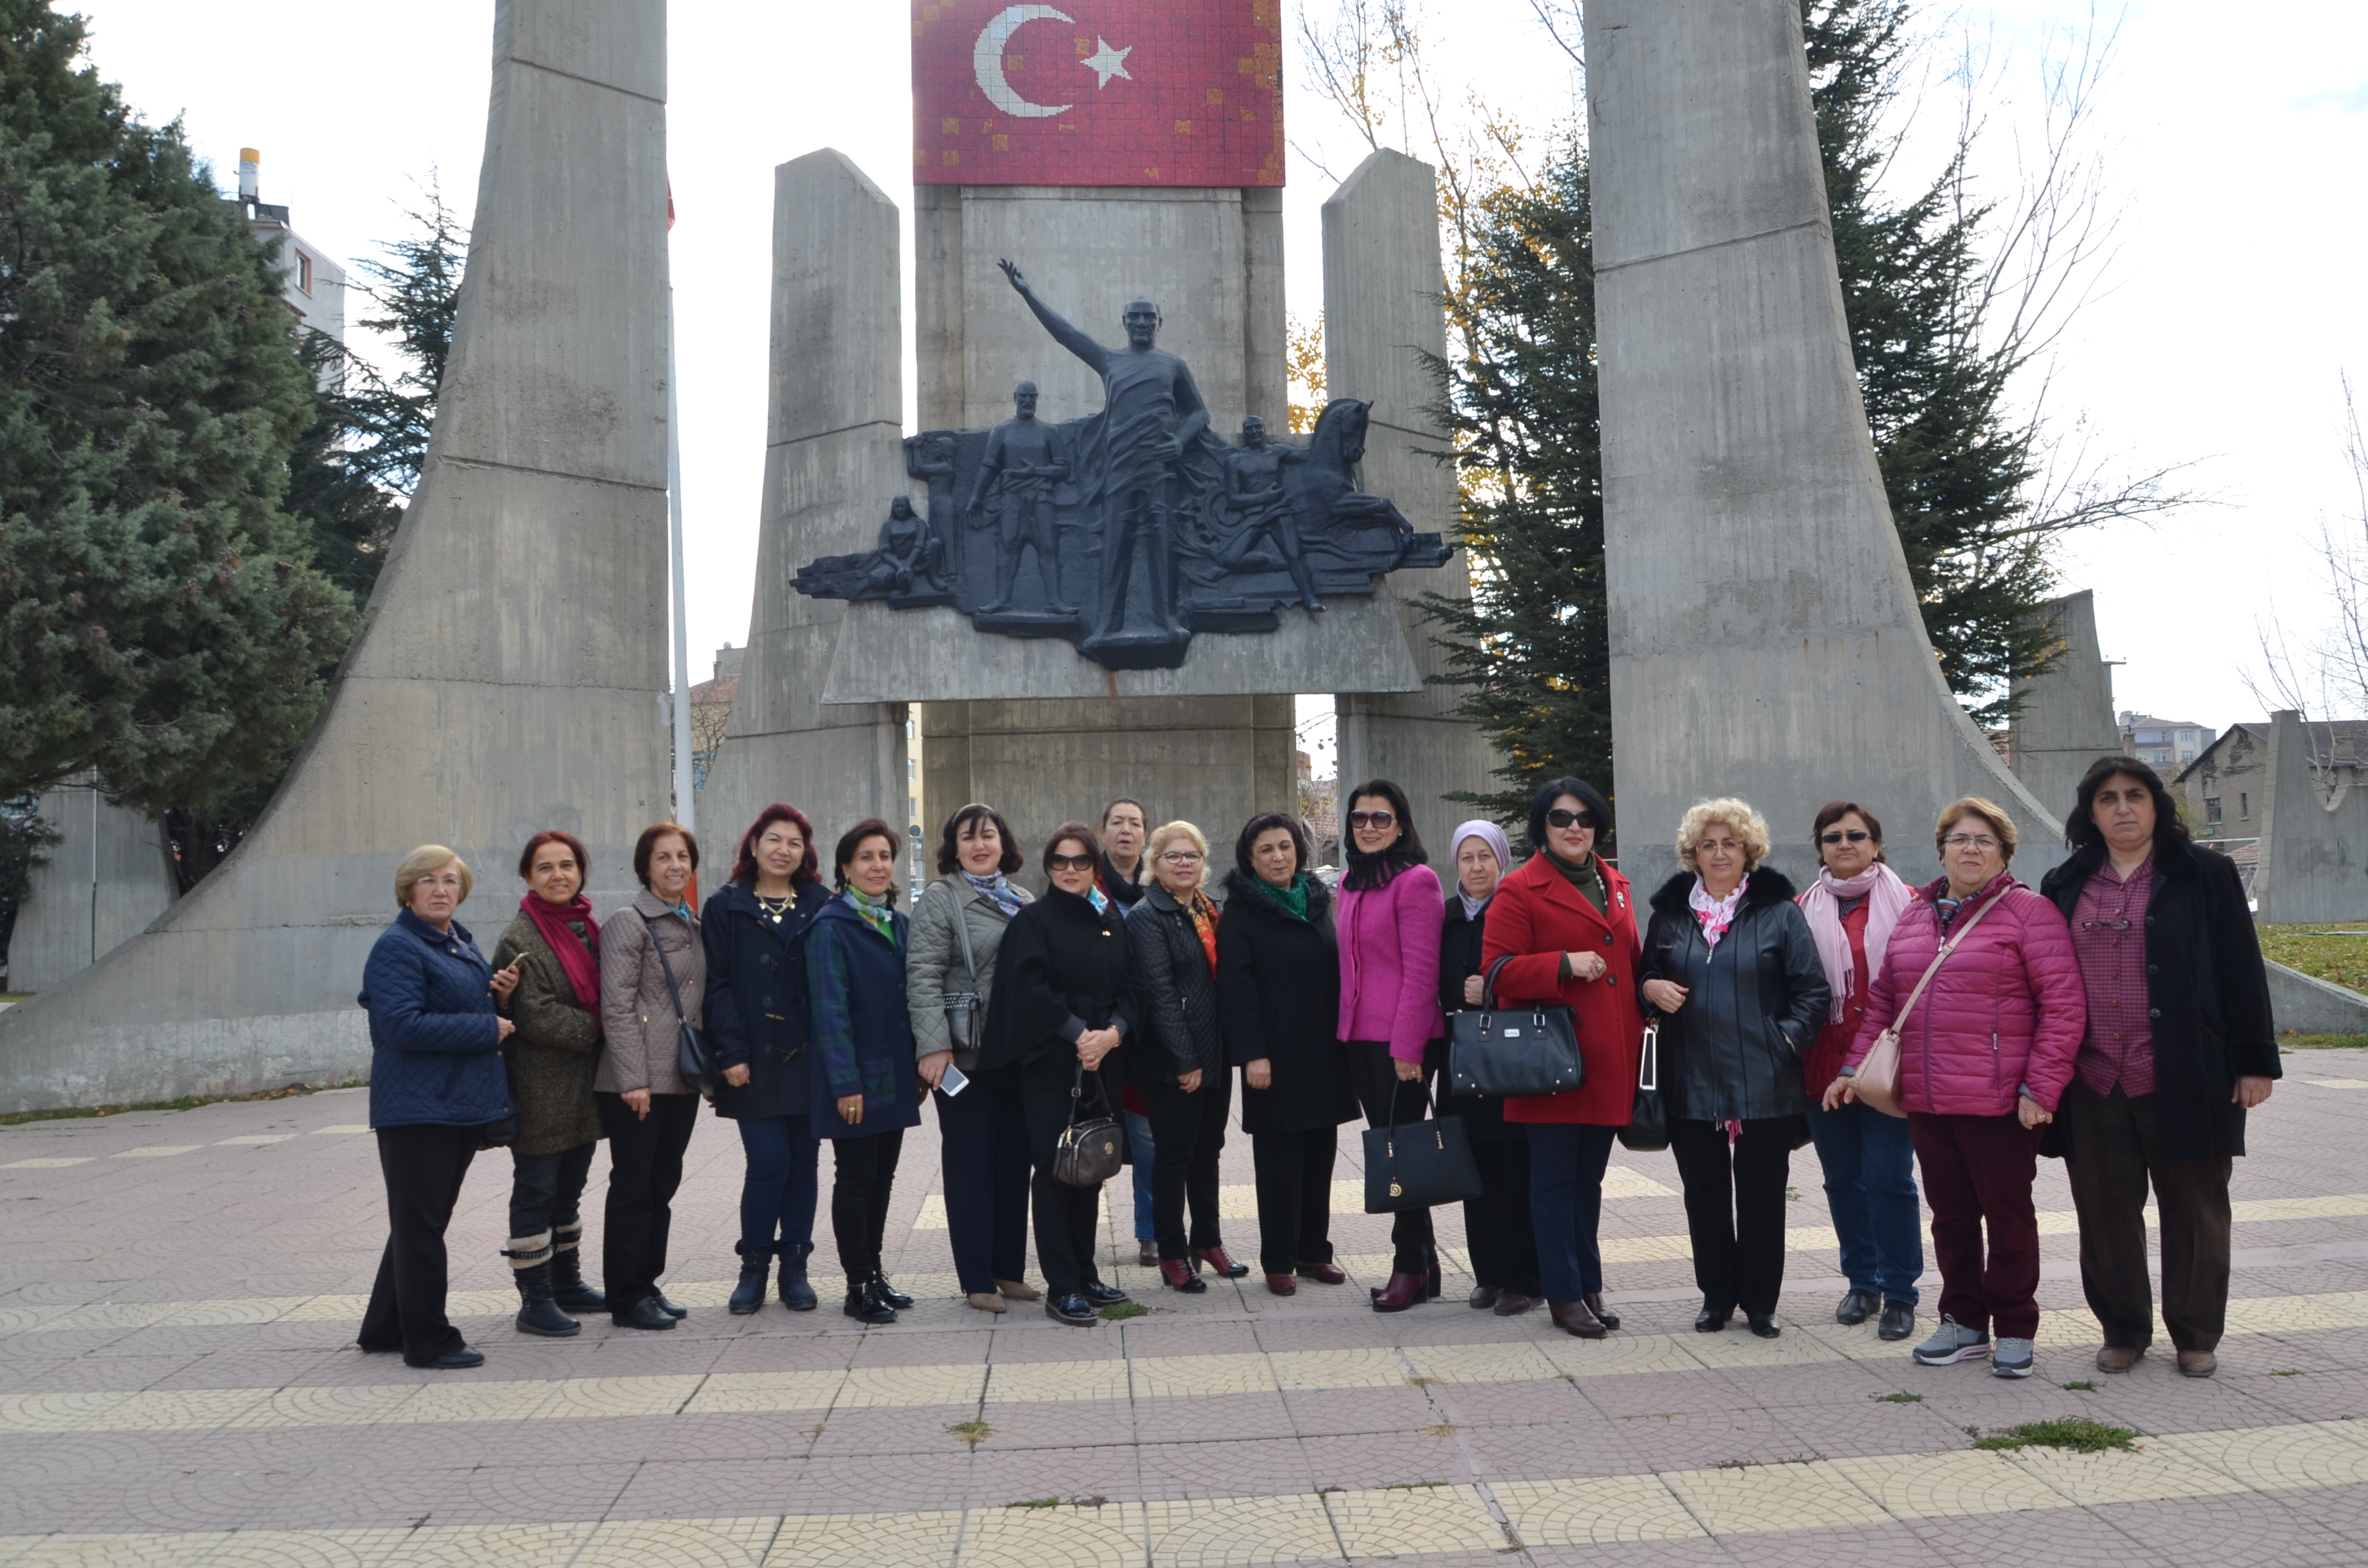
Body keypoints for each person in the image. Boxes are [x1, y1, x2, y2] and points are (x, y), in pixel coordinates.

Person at [1827, 797, 2084, 1380]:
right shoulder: (1917, 916)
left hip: (1999, 1104)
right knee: (1951, 1219)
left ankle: (2016, 1325)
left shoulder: (2030, 914)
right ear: (1941, 848)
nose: (1971, 850)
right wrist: (1852, 1070)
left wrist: (2040, 1089)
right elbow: (1886, 1007)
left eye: (1984, 841)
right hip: (1927, 1098)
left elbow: (2064, 1008)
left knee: (2009, 1218)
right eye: (1960, 839)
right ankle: (1963, 1322)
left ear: (2004, 854)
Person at [2039, 758, 2278, 1380]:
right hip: (2093, 1080)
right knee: (2104, 1211)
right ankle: (2123, 1330)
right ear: (2090, 813)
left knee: (2196, 1210)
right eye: (2108, 799)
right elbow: (2044, 985)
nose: (2123, 809)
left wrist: (2254, 1063)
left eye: (2135, 796)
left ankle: (2196, 1333)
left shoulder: (2206, 874)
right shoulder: (2063, 884)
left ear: (2156, 806)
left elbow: (2240, 971)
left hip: (2187, 1073)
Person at [1641, 799, 1829, 1339]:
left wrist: (1781, 1041)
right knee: (1703, 1195)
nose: (1719, 853)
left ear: (1749, 850)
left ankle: (1761, 1302)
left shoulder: (1779, 912)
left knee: (1763, 1196)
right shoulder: (1670, 915)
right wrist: (1648, 987)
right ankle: (1716, 1297)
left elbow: (1813, 992)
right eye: (1708, 844)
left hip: (1765, 1081)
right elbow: (1645, 977)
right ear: (1692, 854)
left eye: (1730, 843)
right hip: (1688, 1079)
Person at [1481, 781, 1645, 1339]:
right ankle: (1563, 1294)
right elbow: (1495, 973)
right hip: (1550, 1063)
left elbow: (1631, 961)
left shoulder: (1614, 881)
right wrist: (1561, 965)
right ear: (1541, 827)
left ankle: (1589, 1284)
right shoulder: (1519, 889)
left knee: (1588, 1184)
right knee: (1553, 1184)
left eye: (1585, 817)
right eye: (1559, 818)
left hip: (1608, 1062)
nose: (1573, 827)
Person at [357, 846, 515, 1369]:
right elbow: (400, 1026)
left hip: (452, 1104)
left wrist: (498, 998)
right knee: (422, 1226)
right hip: (416, 1110)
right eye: (428, 881)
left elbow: (458, 1006)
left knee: (419, 1223)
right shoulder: (398, 947)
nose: (441, 889)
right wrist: (486, 1027)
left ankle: (384, 1326)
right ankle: (428, 1340)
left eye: (450, 880)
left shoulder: (455, 943)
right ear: (408, 891)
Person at [980, 822, 1137, 1325]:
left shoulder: (1111, 917)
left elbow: (1136, 988)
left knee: (1088, 1169)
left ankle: (1086, 1273)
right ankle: (1061, 1285)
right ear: (1048, 867)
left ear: (1096, 866)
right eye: (1060, 862)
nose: (1070, 870)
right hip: (1051, 1066)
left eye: (1081, 861)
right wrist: (1079, 1034)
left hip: (1102, 1062)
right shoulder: (1035, 921)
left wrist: (1112, 1034)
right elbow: (1027, 992)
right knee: (1054, 1172)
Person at [1795, 802, 1923, 1343]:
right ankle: (1861, 1282)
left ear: (1876, 843)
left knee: (1889, 1178)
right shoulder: (1800, 908)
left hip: (1888, 1065)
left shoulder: (1914, 905)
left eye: (1856, 835)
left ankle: (1900, 1292)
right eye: (1832, 837)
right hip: (1823, 1066)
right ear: (1819, 847)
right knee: (1843, 1179)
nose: (1844, 844)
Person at [1219, 813, 1360, 1295]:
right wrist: (1253, 1054)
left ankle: (1313, 1252)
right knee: (1279, 1162)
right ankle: (1278, 1258)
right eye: (1266, 850)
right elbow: (1236, 988)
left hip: (1322, 1051)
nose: (1279, 856)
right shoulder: (1241, 910)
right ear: (1250, 859)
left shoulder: (1317, 902)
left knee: (1319, 1156)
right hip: (1273, 1059)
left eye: (1285, 846)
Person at [908, 803, 1040, 1314]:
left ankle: (1009, 1270)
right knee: (970, 1169)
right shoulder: (942, 900)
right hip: (964, 1059)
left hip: (1017, 1057)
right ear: (953, 847)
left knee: (1014, 1167)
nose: (979, 845)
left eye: (988, 835)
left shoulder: (1025, 901)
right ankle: (977, 1279)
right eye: (968, 837)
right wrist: (933, 1046)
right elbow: (922, 975)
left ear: (1004, 844)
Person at [703, 804, 831, 1316]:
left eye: (794, 842)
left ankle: (795, 1266)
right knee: (768, 1163)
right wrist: (730, 1052)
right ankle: (753, 1264)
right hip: (751, 1059)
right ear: (753, 846)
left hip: (809, 1058)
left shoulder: (822, 903)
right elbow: (716, 985)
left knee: (804, 1164)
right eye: (773, 839)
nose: (783, 849)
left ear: (806, 852)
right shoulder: (725, 906)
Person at [807, 817, 926, 1325]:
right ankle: (857, 1285)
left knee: (882, 1180)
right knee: (855, 1181)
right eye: (866, 858)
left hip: (896, 1077)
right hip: (856, 1081)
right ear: (845, 868)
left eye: (884, 856)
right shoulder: (831, 927)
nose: (877, 866)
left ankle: (875, 1274)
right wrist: (846, 1084)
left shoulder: (898, 924)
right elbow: (829, 1013)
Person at [490, 831, 609, 1338]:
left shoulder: (588, 927)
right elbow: (534, 1015)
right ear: (527, 877)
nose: (558, 875)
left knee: (570, 1189)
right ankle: (534, 1299)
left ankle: (567, 1283)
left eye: (567, 865)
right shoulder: (520, 937)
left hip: (583, 1087)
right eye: (545, 867)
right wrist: (607, 1029)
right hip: (541, 1087)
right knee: (536, 1190)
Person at [1336, 778, 1447, 1312]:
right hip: (1358, 1039)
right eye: (1359, 818)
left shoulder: (1416, 881)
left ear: (1400, 825)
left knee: (1401, 1160)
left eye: (1381, 818)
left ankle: (1409, 1267)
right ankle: (1425, 1262)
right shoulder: (1349, 884)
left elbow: (1423, 974)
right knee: (1392, 1153)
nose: (1369, 827)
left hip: (1401, 1044)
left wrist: (1409, 1048)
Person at [1127, 821, 1248, 1291]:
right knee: (1173, 1157)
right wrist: (1185, 1060)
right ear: (1154, 865)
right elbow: (1158, 994)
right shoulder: (1146, 916)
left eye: (1191, 855)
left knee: (1208, 1152)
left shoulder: (1207, 908)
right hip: (1173, 1063)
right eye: (1172, 856)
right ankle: (1172, 1252)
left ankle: (1208, 1241)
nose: (1183, 863)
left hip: (1215, 1055)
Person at [596, 822, 707, 1331]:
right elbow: (616, 1008)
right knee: (634, 1186)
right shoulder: (629, 921)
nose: (674, 866)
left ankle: (647, 1281)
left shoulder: (693, 922)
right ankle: (625, 1295)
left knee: (662, 1183)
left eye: (682, 856)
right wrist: (632, 1079)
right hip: (638, 1081)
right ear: (646, 866)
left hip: (679, 1077)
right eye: (663, 857)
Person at [1436, 819, 1543, 1318]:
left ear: (1502, 860)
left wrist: (1497, 991)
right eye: (1467, 857)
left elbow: (1538, 978)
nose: (1476, 867)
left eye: (1486, 856)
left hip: (1512, 1063)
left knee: (1517, 1170)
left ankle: (1525, 1277)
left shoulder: (1521, 909)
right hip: (1461, 1064)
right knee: (1473, 1170)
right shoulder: (1445, 917)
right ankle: (1489, 1274)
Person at [1094, 796, 1157, 1264]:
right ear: (1103, 832)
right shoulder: (1087, 887)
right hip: (1097, 1035)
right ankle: (1080, 1237)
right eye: (1117, 822)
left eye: (1134, 824)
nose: (1126, 831)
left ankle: (1150, 1234)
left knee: (1149, 1138)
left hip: (1148, 1035)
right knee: (1092, 1135)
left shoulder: (1159, 888)